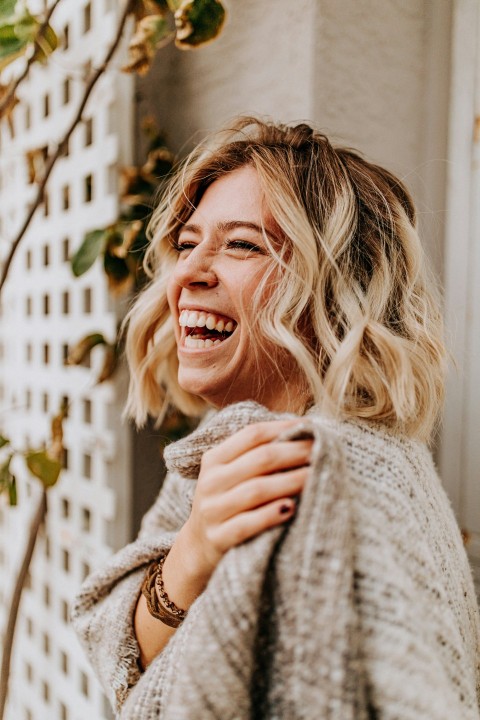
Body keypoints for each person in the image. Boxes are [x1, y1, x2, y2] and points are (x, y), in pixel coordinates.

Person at [72, 117, 480, 720]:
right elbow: (125, 655)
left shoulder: (321, 479)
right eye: (186, 245)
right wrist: (193, 550)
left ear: (340, 288)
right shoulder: (224, 460)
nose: (186, 274)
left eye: (241, 244)